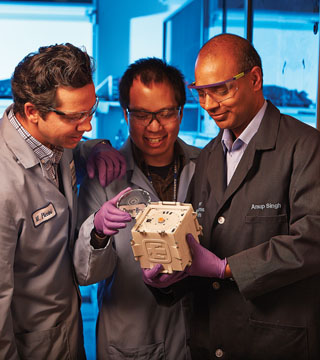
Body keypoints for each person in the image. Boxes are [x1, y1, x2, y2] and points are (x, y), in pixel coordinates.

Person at [143, 34, 320, 360]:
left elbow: (312, 241)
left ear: (254, 79)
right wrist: (169, 276)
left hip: (275, 343)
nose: (209, 104)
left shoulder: (306, 147)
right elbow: (200, 249)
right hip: (211, 343)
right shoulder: (208, 158)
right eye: (201, 92)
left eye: (220, 90)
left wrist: (227, 268)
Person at [0, 43, 125, 359]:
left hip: (67, 333)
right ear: (32, 111)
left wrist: (97, 148)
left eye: (90, 110)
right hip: (29, 345)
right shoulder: (4, 184)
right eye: (76, 117)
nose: (87, 126)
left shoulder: (56, 140)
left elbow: (77, 147)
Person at [74, 57, 201, 360]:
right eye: (142, 114)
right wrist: (98, 232)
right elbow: (84, 273)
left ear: (181, 112)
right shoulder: (105, 176)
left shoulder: (207, 166)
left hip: (196, 333)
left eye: (166, 113)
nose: (154, 126)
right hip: (132, 337)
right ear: (125, 113)